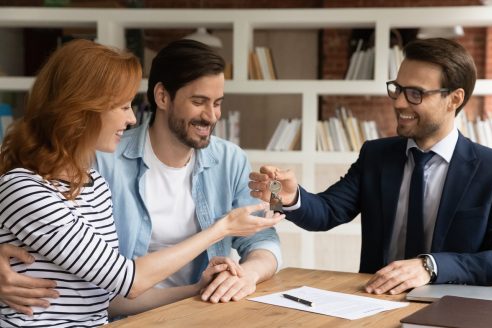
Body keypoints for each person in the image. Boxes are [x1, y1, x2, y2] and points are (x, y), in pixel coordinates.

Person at [0, 39, 282, 326]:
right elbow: (124, 280)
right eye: (199, 102)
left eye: (218, 103)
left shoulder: (92, 182)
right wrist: (222, 228)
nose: (212, 116)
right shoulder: (98, 161)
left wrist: (232, 279)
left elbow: (105, 294)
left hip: (193, 308)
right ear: (162, 97)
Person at [249, 37, 492, 294]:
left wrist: (430, 266)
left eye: (415, 93)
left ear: (454, 99)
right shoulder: (376, 155)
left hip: (452, 306)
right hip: (374, 301)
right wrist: (285, 197)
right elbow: (327, 212)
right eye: (398, 89)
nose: (399, 102)